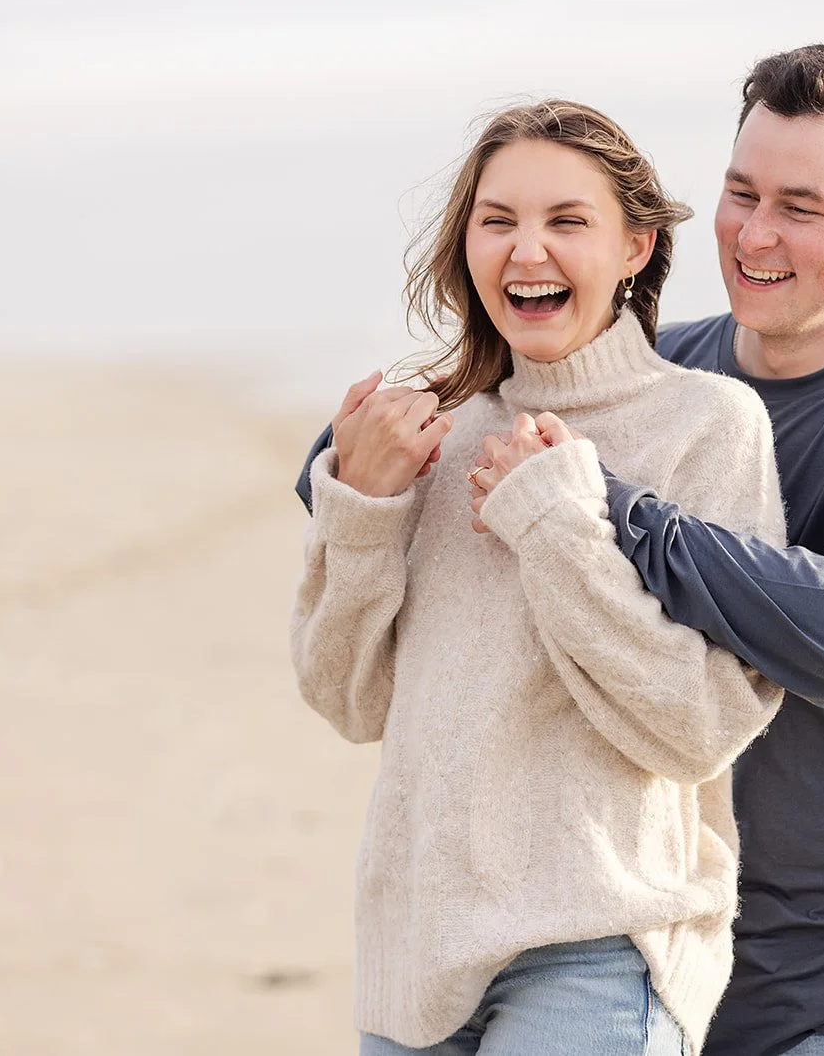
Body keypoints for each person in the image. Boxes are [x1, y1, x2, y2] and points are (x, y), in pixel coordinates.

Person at [302, 44, 824, 1056]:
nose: (756, 233)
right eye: (739, 192)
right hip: (660, 951)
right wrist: (360, 467)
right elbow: (464, 434)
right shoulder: (661, 367)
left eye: (800, 206)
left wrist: (597, 501)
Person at [289, 100, 788, 1055]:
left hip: (598, 949)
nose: (528, 251)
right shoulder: (430, 430)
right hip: (413, 953)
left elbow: (699, 728)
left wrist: (555, 524)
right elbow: (347, 698)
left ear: (637, 246)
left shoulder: (709, 425)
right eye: (498, 219)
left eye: (568, 221)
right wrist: (363, 507)